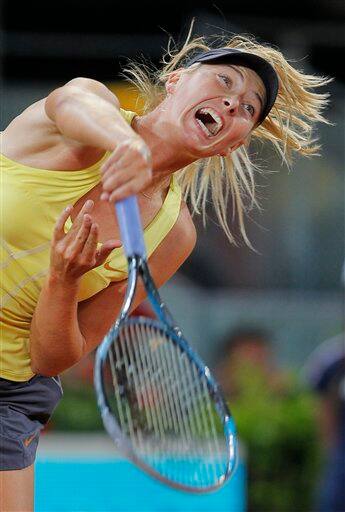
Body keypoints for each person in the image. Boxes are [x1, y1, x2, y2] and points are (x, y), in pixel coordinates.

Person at [0, 31, 330, 510]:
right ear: (175, 80)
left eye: (249, 111)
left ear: (230, 146)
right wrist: (125, 146)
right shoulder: (86, 107)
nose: (234, 103)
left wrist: (63, 280)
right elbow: (71, 102)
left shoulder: (172, 235)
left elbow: (52, 359)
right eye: (224, 80)